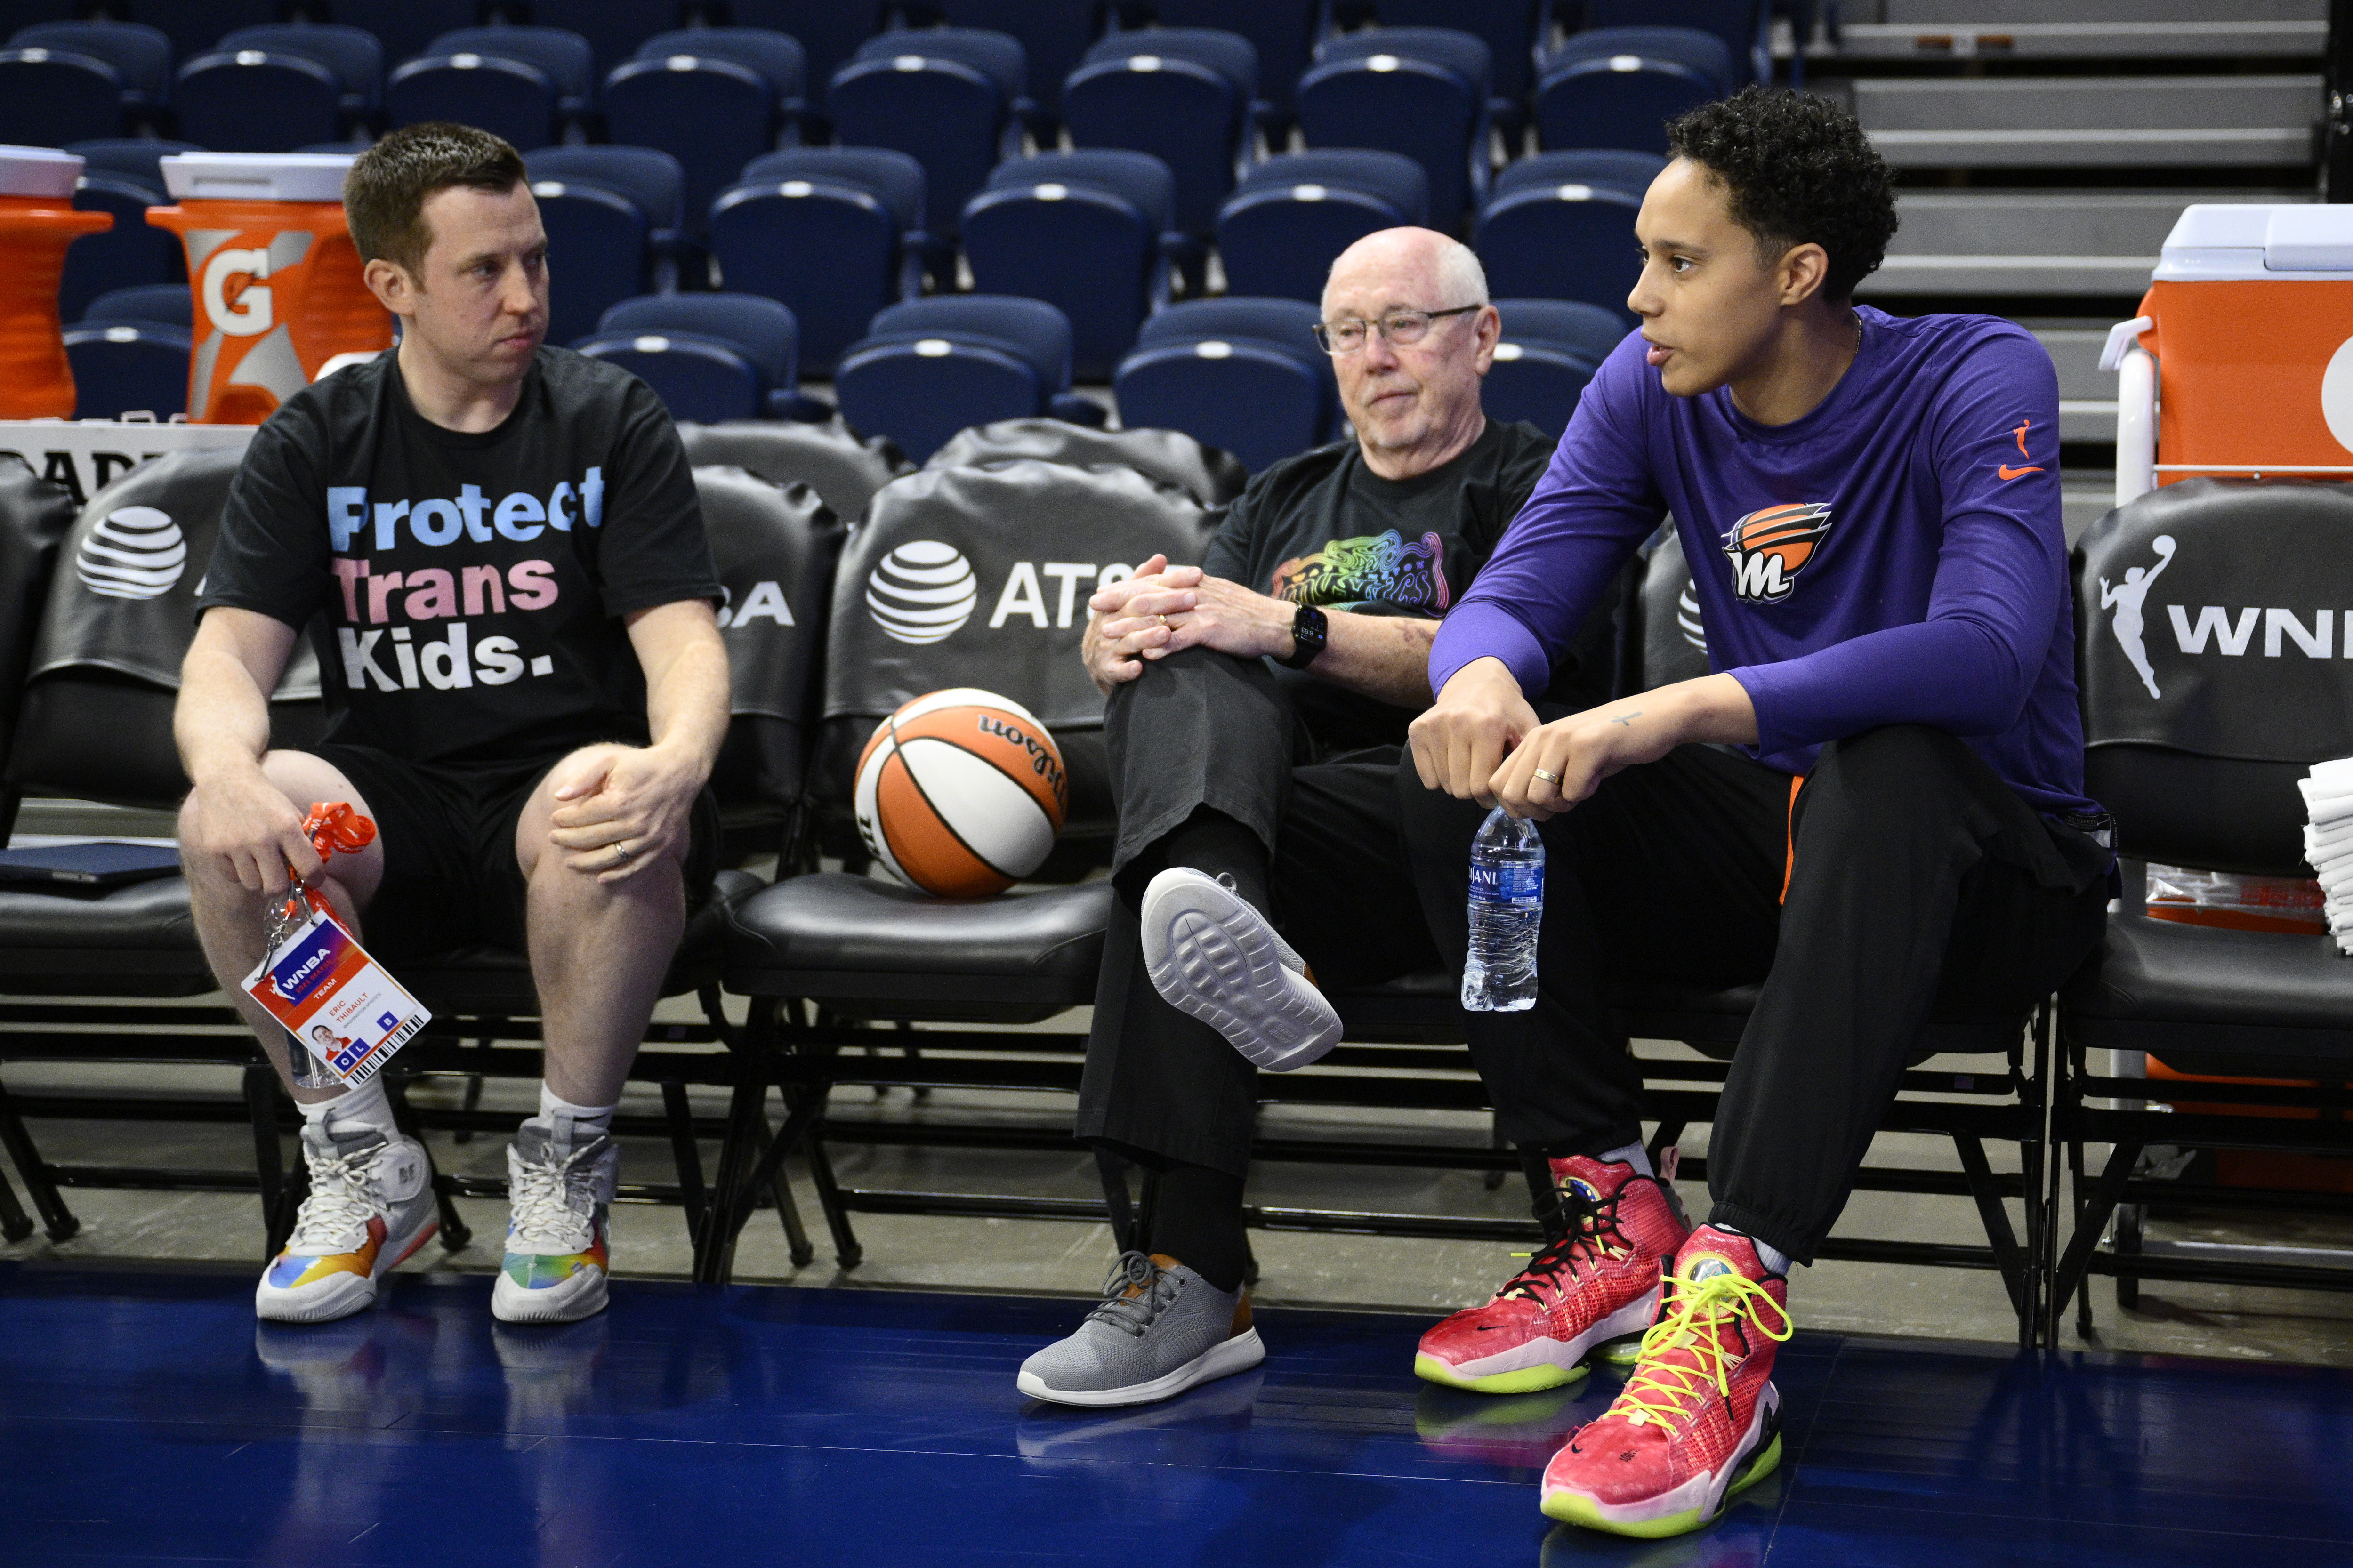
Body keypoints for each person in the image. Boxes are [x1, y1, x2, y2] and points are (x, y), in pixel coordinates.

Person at [1398, 88, 2113, 1537]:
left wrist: (1678, 704)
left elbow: (1983, 649)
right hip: (1796, 850)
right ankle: (1614, 1210)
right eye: (1641, 260)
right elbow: (1518, 588)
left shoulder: (1977, 375)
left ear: (1793, 275)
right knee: (1482, 771)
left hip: (1995, 874)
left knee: (1889, 757)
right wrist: (1474, 676)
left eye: (1676, 262)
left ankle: (1730, 1308)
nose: (1636, 295)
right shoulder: (1650, 385)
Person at [1016, 227, 1614, 1407]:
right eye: (1350, 331)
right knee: (1176, 735)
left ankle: (1194, 1266)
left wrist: (1287, 626)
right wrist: (1119, 644)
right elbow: (1197, 649)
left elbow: (1522, 666)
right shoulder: (1279, 499)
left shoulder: (1542, 483)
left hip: (1461, 838)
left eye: (1407, 325)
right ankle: (1219, 909)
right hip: (1279, 852)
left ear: (1483, 338)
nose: (1376, 357)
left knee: (1175, 872)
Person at [177, 123, 729, 1328]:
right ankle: (367, 1165)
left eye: (535, 258)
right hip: (395, 804)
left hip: (554, 805)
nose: (525, 293)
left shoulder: (608, 418)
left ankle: (569, 1167)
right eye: (485, 269)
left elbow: (683, 640)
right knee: (236, 815)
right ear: (393, 285)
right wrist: (224, 772)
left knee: (602, 792)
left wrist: (678, 759)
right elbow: (228, 653)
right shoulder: (320, 438)